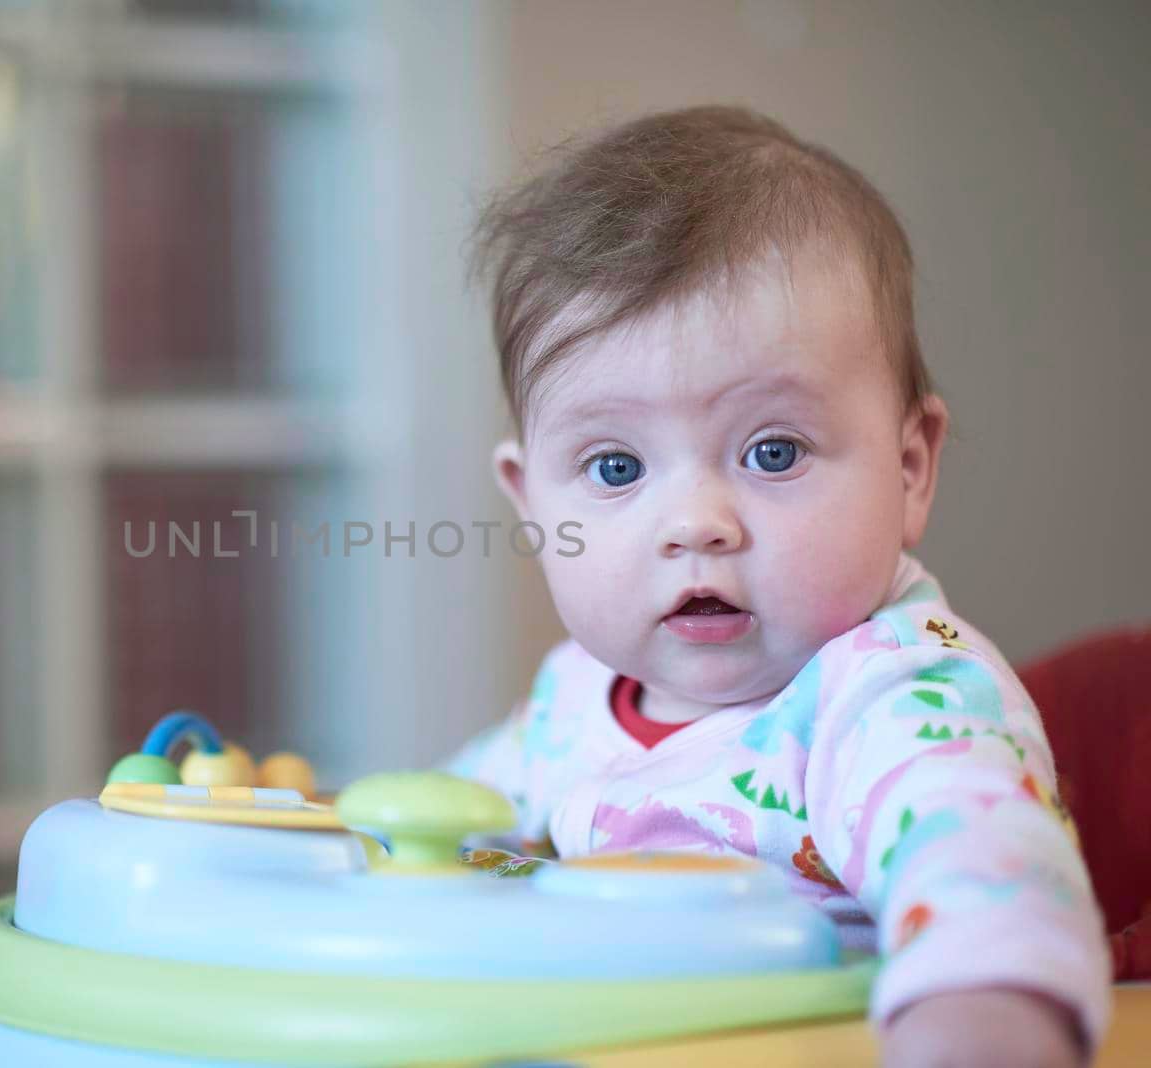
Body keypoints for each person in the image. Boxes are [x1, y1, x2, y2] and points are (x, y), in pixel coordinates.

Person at [449, 105, 1110, 1066]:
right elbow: (440, 828)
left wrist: (984, 1013)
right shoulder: (570, 701)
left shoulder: (893, 696)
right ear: (530, 499)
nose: (695, 523)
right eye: (617, 469)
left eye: (772, 449)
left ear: (910, 467)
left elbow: (981, 867)